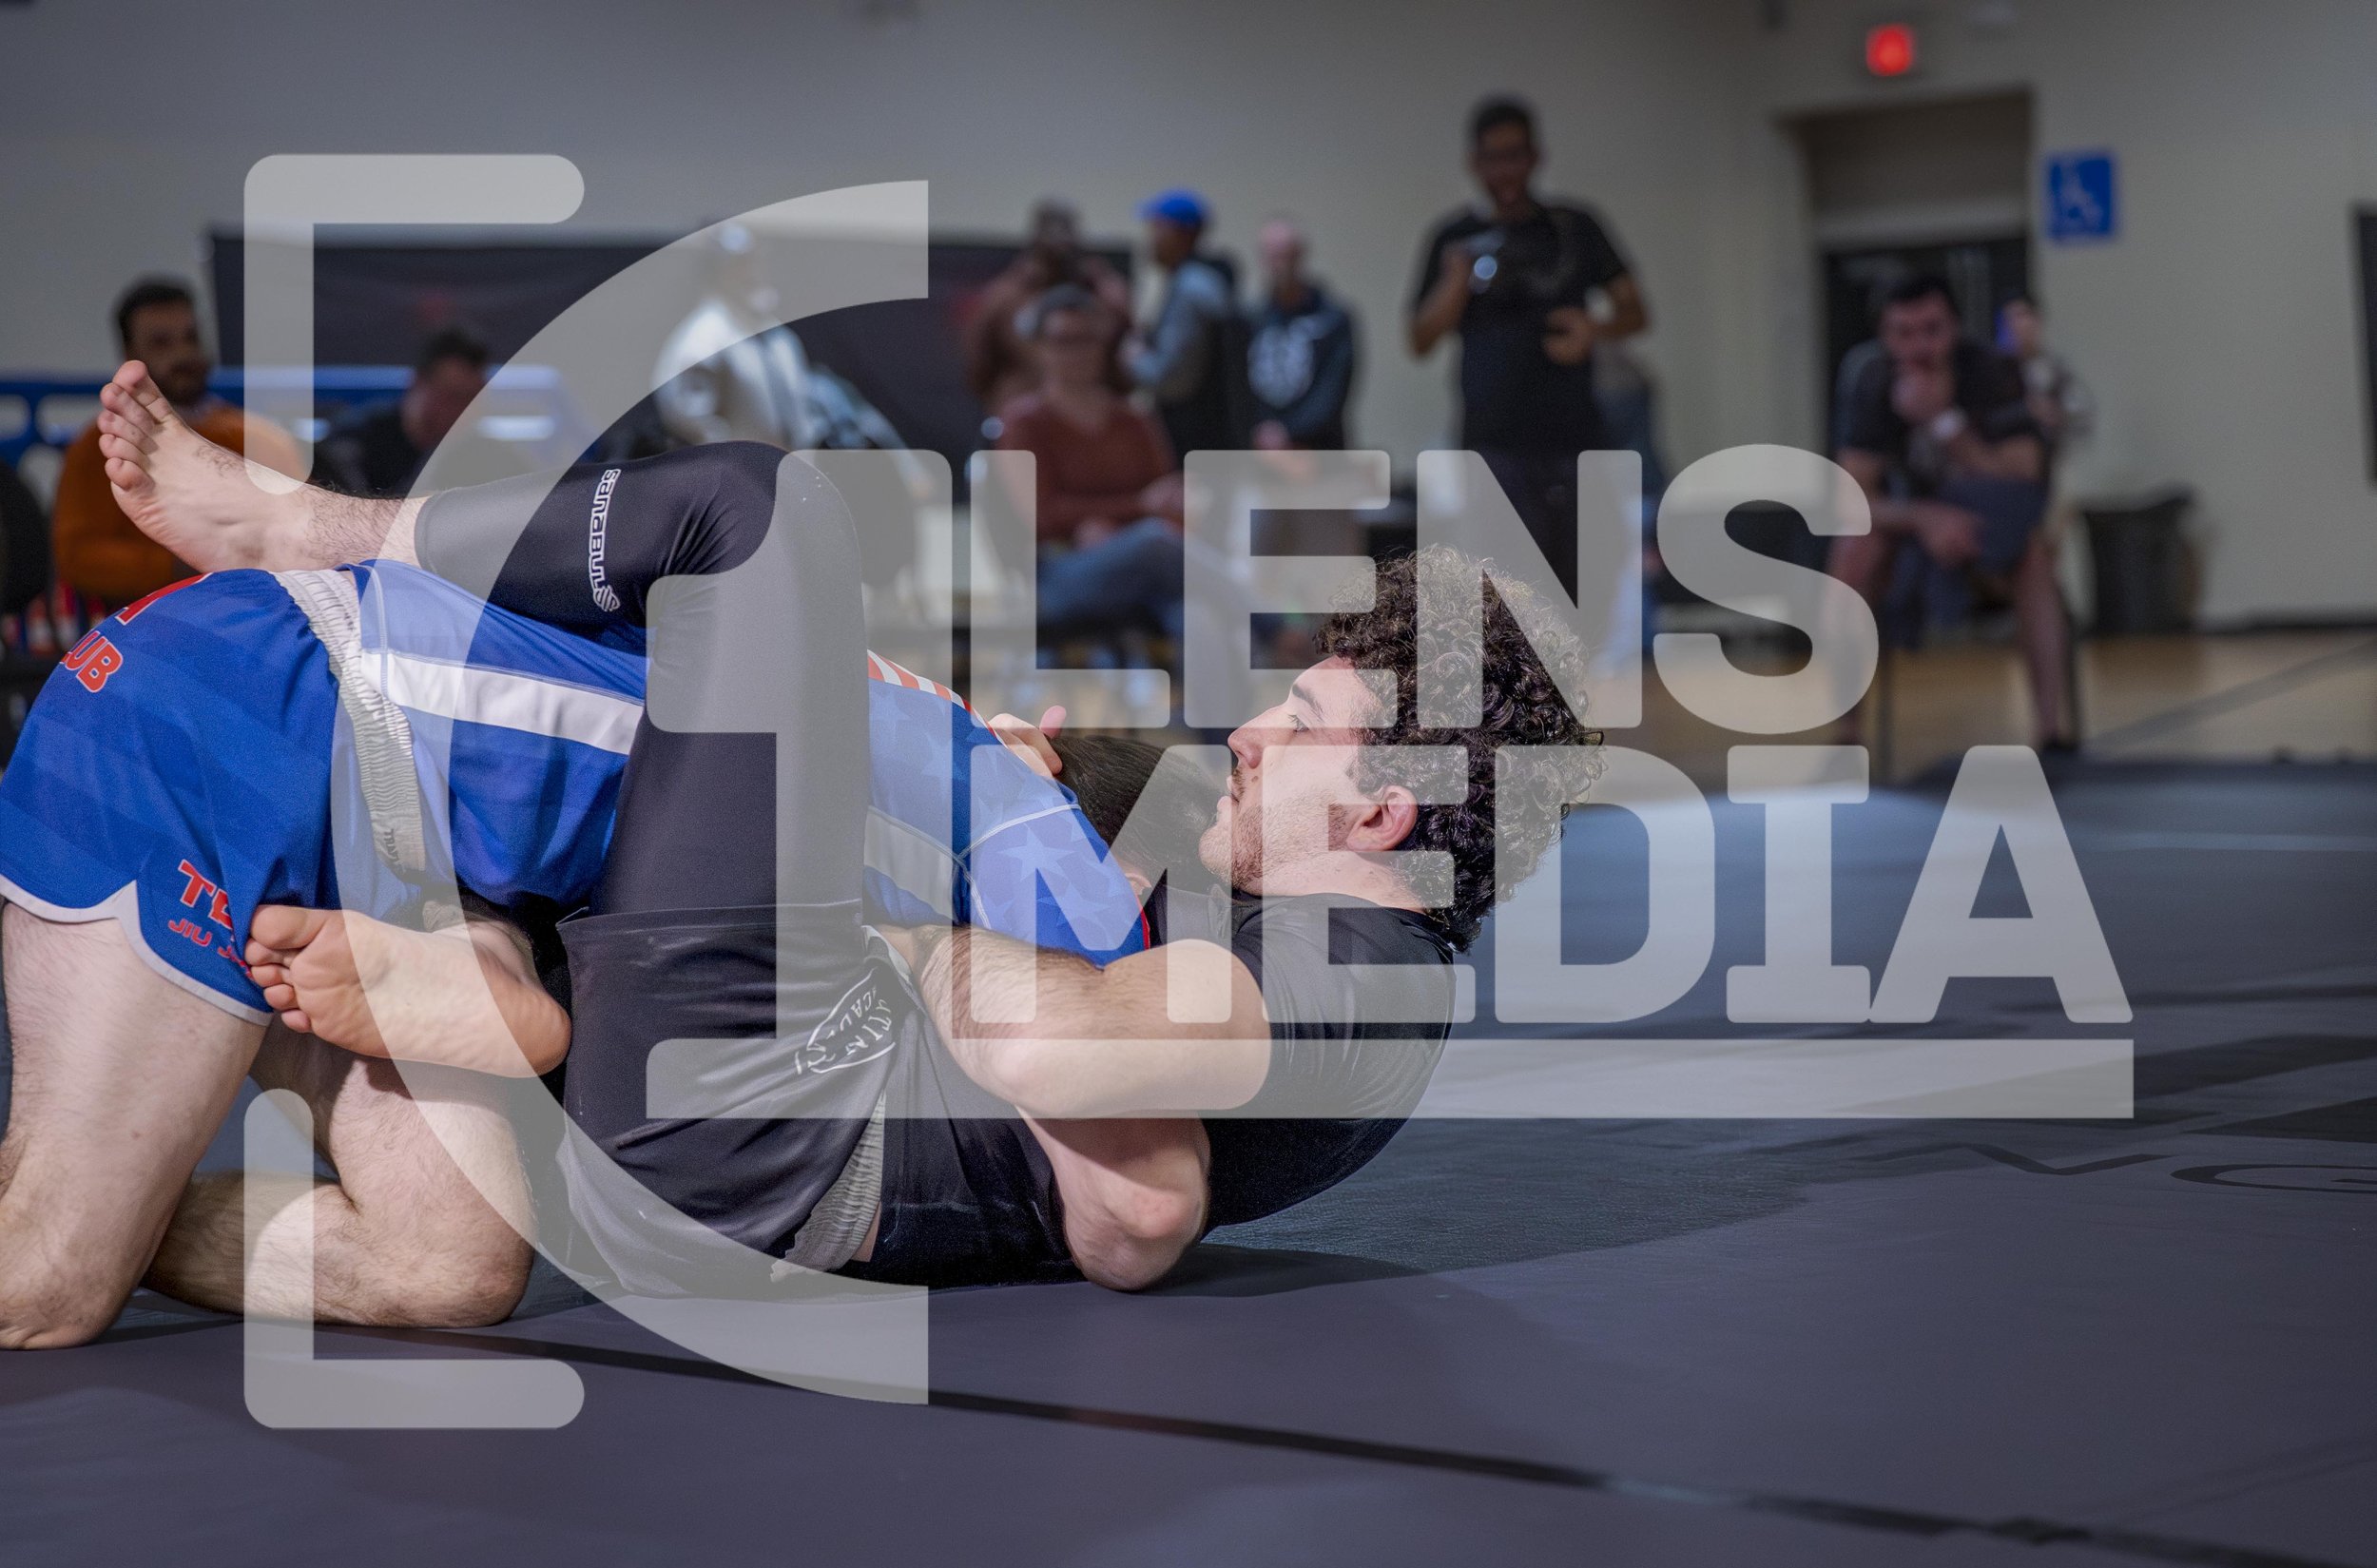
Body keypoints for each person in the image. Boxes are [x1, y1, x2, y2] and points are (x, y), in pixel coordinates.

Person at [0, 360, 1595, 1341]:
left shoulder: (1348, 965)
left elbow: (1139, 1183)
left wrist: (906, 920)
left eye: (1296, 724)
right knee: (66, 1280)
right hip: (272, 702)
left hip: (473, 850)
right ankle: (317, 584)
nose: (1247, 732)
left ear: (1381, 813)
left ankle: (314, 560)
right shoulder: (1175, 852)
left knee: (440, 1267)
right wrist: (1012, 789)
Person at [1408, 96, 1648, 600]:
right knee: (1505, 591)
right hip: (1492, 441)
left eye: (1515, 155)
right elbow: (1420, 339)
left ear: (1536, 157)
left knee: (1580, 586)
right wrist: (1456, 281)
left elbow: (1636, 311)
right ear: (1474, 163)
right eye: (1494, 158)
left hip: (1572, 435)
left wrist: (1593, 329)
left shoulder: (1574, 228)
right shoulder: (1455, 238)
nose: (1506, 170)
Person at [1832, 275, 2070, 749]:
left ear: (1956, 328)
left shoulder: (1991, 371)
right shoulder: (1870, 378)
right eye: (1903, 333)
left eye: (1932, 330)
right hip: (1910, 528)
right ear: (1884, 335)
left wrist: (1943, 423)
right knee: (1854, 550)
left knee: (2034, 554)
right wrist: (1926, 518)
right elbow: (1851, 498)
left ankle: (2051, 729)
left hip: (1986, 524)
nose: (1919, 346)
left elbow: (2024, 469)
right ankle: (1846, 732)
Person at [50, 278, 300, 610]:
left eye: (191, 338)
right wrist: (185, 565)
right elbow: (78, 556)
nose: (183, 354)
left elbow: (300, 533)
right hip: (150, 621)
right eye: (161, 343)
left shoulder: (260, 438)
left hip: (257, 614)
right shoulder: (100, 446)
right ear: (130, 355)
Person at [995, 284, 1188, 648]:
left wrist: (1116, 533)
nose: (1076, 352)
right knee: (1154, 541)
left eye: (1086, 339)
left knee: (1198, 614)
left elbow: (1165, 499)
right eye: (1062, 341)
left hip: (1140, 566)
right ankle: (1277, 626)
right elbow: (1042, 514)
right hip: (1060, 570)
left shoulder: (1134, 420)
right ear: (1040, 347)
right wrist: (1136, 510)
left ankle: (1231, 680)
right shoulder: (1024, 423)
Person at [964, 200, 1131, 421]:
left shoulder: (1103, 293)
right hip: (1022, 409)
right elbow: (980, 362)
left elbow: (1125, 360)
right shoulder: (1007, 296)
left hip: (1089, 415)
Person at [315, 326, 496, 495]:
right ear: (418, 381)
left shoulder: (482, 457)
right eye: (451, 395)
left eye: (470, 398)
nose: (461, 410)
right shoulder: (353, 442)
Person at [1127, 189, 1242, 458]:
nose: (1150, 238)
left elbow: (1171, 379)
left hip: (1195, 438)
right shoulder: (1200, 281)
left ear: (1182, 234)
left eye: (1157, 228)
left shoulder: (1191, 289)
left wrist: (1133, 357)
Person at [1246, 217, 1358, 453]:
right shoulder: (1251, 319)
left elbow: (1332, 390)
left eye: (1286, 256)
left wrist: (1290, 433)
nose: (1279, 265)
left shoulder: (1332, 320)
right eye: (1272, 256)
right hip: (1261, 450)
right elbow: (1242, 386)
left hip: (1318, 448)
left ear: (1301, 256)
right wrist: (1259, 431)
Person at [1996, 295, 2093, 459]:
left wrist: (2057, 413)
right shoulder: (1994, 371)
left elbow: (2080, 412)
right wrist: (2027, 409)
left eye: (2023, 317)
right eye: (2010, 320)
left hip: (2048, 457)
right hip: (2002, 459)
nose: (2017, 326)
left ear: (2036, 322)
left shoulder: (2055, 369)